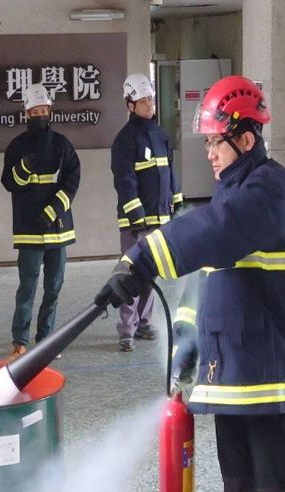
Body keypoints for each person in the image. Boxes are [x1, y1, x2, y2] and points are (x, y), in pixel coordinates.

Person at [98, 76, 285, 492]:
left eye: (217, 142)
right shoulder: (231, 191)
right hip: (233, 383)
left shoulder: (270, 189)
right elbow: (206, 279)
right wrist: (186, 340)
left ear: (246, 139)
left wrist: (144, 257)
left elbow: (217, 229)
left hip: (273, 386)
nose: (209, 153)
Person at [1, 83, 81, 361]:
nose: (40, 114)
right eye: (34, 111)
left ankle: (46, 339)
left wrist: (53, 210)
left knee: (53, 288)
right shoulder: (17, 146)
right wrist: (24, 167)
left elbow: (72, 181)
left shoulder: (62, 144)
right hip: (28, 232)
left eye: (43, 109)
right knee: (27, 287)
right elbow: (8, 183)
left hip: (58, 229)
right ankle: (20, 341)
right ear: (26, 113)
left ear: (50, 111)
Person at [111, 72, 182, 352]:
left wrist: (175, 199)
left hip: (160, 217)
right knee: (130, 274)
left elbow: (170, 172)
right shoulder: (125, 139)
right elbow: (124, 179)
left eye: (150, 99)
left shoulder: (161, 134)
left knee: (151, 275)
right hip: (135, 222)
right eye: (143, 101)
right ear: (130, 105)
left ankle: (143, 323)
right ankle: (126, 329)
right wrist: (136, 214)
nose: (149, 104)